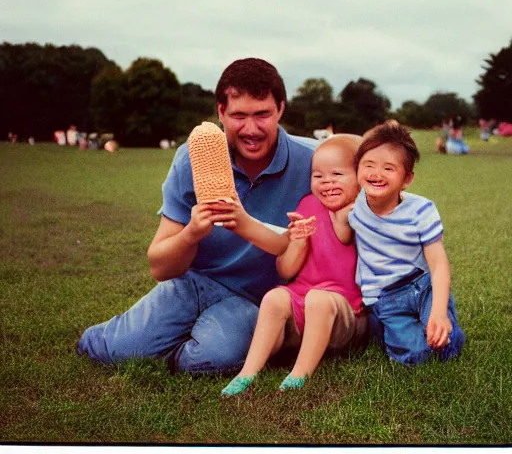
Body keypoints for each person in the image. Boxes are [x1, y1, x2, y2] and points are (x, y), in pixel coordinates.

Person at [77, 57, 320, 374]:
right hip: (190, 285)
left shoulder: (313, 162)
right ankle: (123, 338)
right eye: (238, 116)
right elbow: (160, 266)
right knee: (115, 351)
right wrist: (192, 232)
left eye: (262, 114)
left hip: (252, 301)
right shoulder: (192, 159)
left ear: (281, 109)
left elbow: (367, 165)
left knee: (216, 357)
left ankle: (177, 349)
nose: (251, 129)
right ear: (221, 112)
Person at [220, 134, 368, 396]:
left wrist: (347, 212)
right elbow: (286, 271)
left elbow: (345, 232)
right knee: (275, 297)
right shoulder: (307, 205)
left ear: (360, 178)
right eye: (318, 176)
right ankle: (248, 372)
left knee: (319, 300)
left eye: (337, 174)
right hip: (304, 300)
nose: (327, 182)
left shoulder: (362, 212)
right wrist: (297, 242)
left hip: (346, 312)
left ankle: (299, 374)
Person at [332, 119, 465, 366]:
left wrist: (437, 313)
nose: (376, 174)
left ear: (407, 179)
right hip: (386, 297)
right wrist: (335, 218)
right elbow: (341, 229)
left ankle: (444, 319)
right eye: (368, 165)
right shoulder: (355, 207)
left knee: (444, 340)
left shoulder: (422, 210)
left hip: (423, 286)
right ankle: (392, 332)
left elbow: (438, 266)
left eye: (389, 168)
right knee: (415, 356)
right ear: (358, 169)